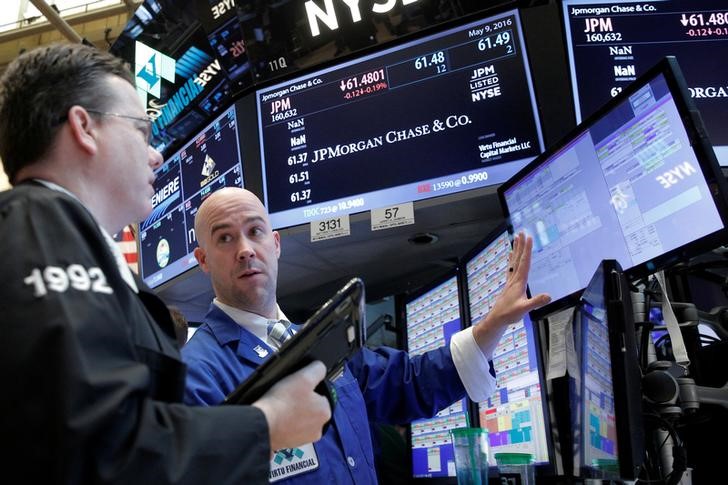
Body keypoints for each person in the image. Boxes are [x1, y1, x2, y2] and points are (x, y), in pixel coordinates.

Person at [0, 43, 332, 484]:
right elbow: (95, 447)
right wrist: (265, 425)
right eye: (141, 131)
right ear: (84, 127)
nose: (156, 154)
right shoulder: (39, 223)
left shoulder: (64, 241)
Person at [182, 187, 551, 483]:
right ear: (203, 260)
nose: (245, 250)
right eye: (225, 239)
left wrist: (492, 326)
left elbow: (410, 383)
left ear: (275, 244)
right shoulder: (194, 375)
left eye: (254, 232)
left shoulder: (322, 344)